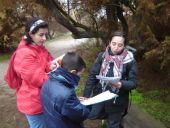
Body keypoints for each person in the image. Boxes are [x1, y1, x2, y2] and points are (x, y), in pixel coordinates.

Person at [83, 30, 138, 128]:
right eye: (114, 44)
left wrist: (121, 84)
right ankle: (111, 119)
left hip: (117, 98)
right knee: (92, 115)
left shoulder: (130, 60)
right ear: (109, 43)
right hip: (100, 95)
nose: (116, 48)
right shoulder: (102, 56)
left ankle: (114, 120)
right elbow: (92, 76)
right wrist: (86, 95)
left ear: (124, 46)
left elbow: (133, 83)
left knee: (113, 124)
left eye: (120, 45)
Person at [12, 17, 57, 128]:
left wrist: (50, 66)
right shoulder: (25, 53)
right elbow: (38, 79)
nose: (44, 38)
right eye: (41, 35)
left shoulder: (39, 47)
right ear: (31, 34)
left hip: (44, 98)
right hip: (33, 102)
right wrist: (60, 77)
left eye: (45, 34)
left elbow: (43, 63)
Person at [40, 52, 90, 128]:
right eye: (80, 73)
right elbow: (80, 115)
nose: (80, 76)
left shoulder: (48, 82)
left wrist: (75, 101)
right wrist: (87, 105)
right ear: (73, 72)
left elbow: (58, 104)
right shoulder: (66, 95)